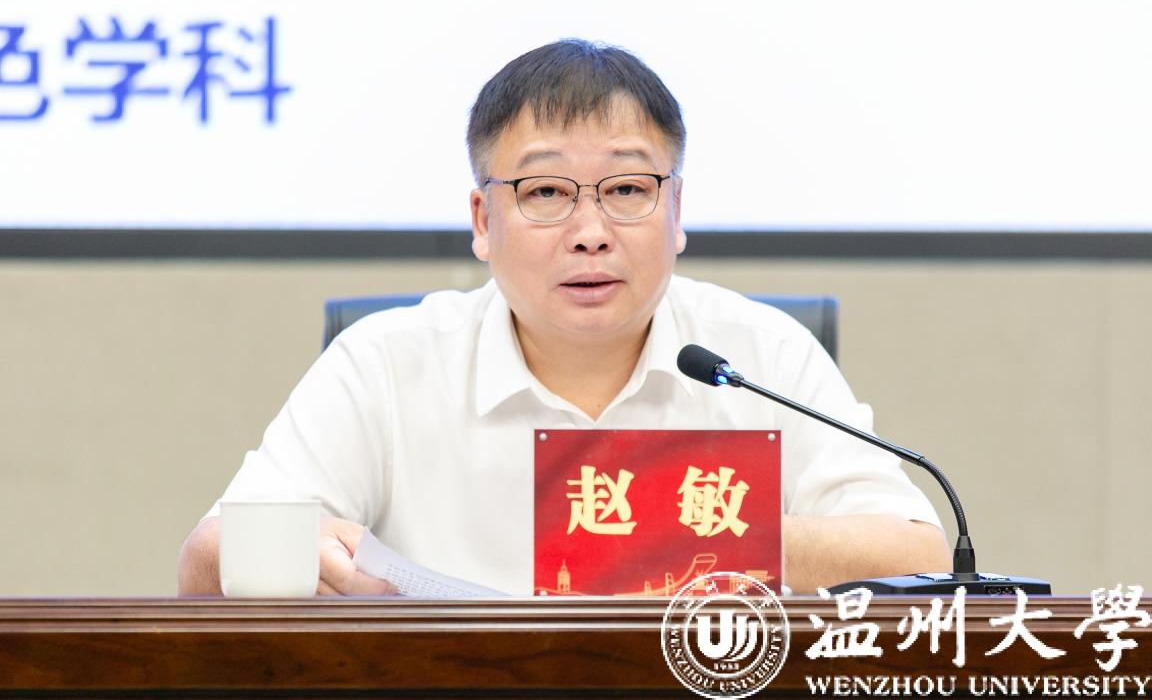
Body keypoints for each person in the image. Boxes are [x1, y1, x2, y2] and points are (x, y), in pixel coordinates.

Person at [178, 39, 949, 597]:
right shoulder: (384, 362)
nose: (591, 231)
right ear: (483, 220)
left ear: (676, 210)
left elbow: (918, 556)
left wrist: (689, 533)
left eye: (627, 189)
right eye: (546, 192)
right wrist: (292, 553)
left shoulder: (760, 355)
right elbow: (204, 565)